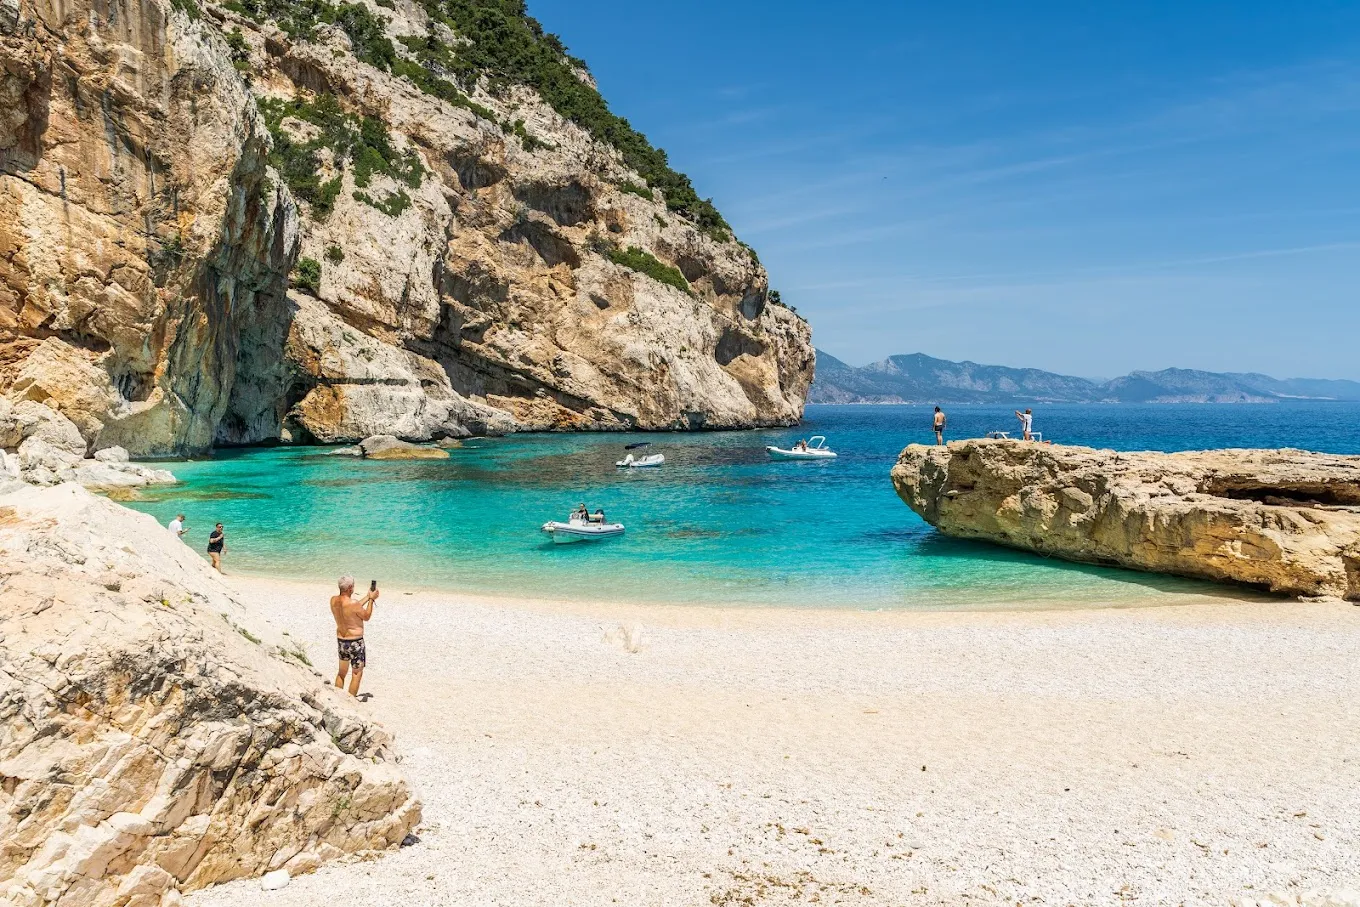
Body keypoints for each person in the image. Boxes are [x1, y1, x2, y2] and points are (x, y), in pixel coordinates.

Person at [331, 576, 379, 697]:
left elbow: (352, 608)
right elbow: (366, 616)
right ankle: (350, 702)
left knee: (341, 673)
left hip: (341, 641)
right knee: (356, 674)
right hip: (355, 642)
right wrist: (372, 601)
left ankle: (337, 698)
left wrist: (368, 596)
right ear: (350, 588)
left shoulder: (333, 600)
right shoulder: (353, 604)